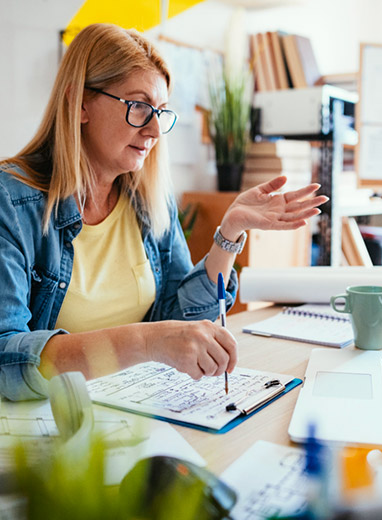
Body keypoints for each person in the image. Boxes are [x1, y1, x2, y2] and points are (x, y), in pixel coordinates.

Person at [0, 23, 327, 401]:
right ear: (80, 103)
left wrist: (230, 233)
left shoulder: (147, 199)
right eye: (139, 106)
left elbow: (181, 321)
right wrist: (146, 340)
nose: (155, 129)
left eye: (161, 111)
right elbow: (6, 358)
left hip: (133, 408)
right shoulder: (12, 200)